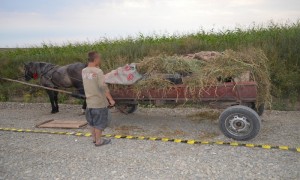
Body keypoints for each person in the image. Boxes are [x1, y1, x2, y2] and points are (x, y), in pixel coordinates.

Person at [82, 51, 115, 146]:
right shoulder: (98, 71)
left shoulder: (84, 71)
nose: (100, 60)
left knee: (92, 122)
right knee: (99, 123)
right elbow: (103, 87)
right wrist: (111, 99)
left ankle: (94, 139)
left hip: (89, 102)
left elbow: (91, 78)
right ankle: (99, 141)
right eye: (99, 59)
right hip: (99, 103)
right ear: (96, 59)